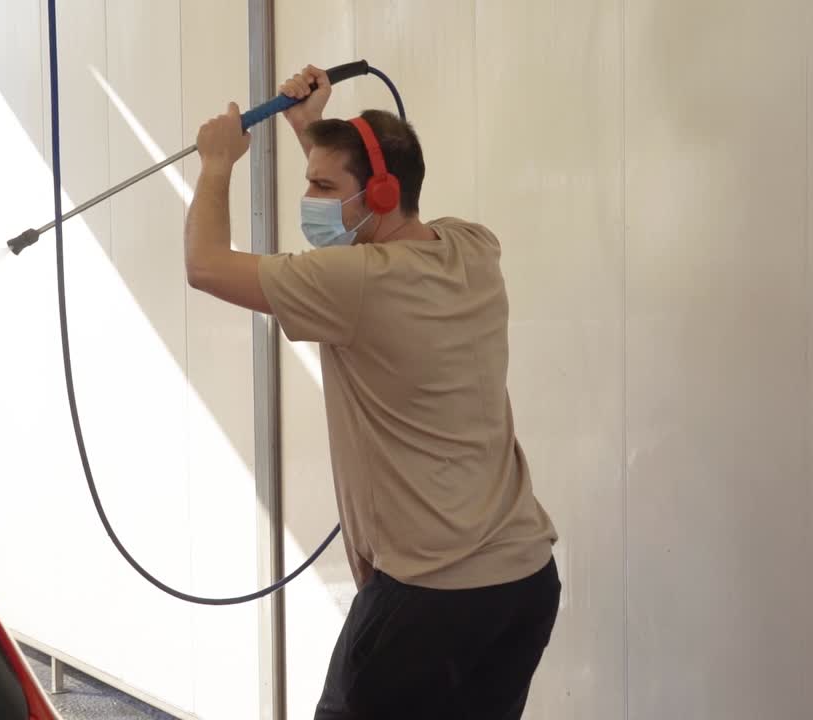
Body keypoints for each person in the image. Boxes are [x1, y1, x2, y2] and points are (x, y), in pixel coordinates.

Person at [184, 64, 560, 719]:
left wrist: (218, 163)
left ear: (382, 194)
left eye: (322, 187)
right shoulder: (473, 247)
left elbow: (205, 265)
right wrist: (311, 128)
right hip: (522, 584)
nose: (311, 201)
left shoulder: (355, 282)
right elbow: (365, 214)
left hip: (430, 598)